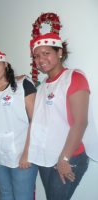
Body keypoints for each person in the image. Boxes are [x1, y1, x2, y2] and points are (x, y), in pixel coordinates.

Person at [28, 32, 98, 200]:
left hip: (69, 156)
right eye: (36, 56)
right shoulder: (43, 85)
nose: (41, 59)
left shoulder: (74, 78)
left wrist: (64, 158)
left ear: (59, 53)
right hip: (47, 156)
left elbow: (80, 123)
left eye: (46, 53)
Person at [0, 48, 37, 200]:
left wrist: (27, 153)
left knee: (23, 196)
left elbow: (35, 121)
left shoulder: (23, 85)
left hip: (20, 155)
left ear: (5, 65)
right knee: (5, 194)